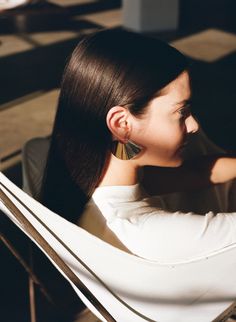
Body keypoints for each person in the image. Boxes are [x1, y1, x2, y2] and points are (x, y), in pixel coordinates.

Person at [41, 28, 236, 262]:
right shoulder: (153, 232)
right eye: (181, 111)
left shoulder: (89, 179)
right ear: (122, 124)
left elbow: (197, 172)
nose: (193, 125)